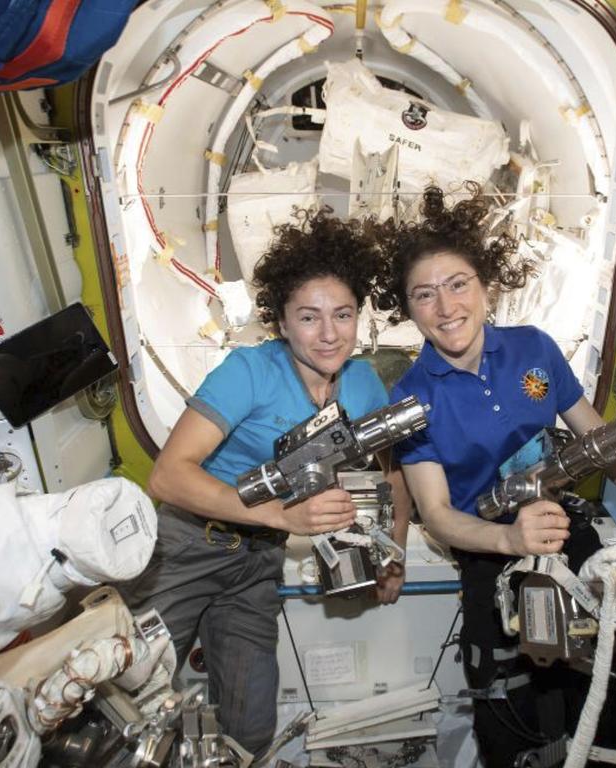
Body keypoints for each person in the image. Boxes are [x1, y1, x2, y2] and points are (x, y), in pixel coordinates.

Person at [374, 187, 616, 766]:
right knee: (507, 705)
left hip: (565, 532)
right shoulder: (411, 395)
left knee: (598, 688)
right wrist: (507, 539)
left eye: (458, 284)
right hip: (488, 548)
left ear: (485, 287)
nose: (446, 306)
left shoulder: (535, 347)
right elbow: (438, 514)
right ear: (409, 309)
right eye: (424, 295)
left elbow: (600, 443)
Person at [119, 209, 408, 758]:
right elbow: (168, 475)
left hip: (257, 565)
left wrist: (393, 550)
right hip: (186, 546)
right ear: (280, 320)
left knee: (248, 729)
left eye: (343, 315)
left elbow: (391, 473)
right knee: (131, 701)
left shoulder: (366, 384)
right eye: (308, 317)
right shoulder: (248, 372)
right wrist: (280, 514)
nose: (329, 335)